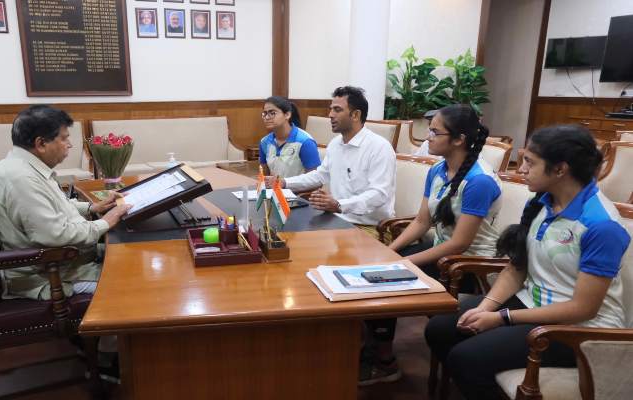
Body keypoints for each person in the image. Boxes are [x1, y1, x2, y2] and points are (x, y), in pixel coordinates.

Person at [425, 124, 630, 400]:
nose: (521, 169)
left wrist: (502, 318)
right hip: (532, 303)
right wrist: (486, 307)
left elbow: (583, 308)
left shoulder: (601, 225)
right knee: (440, 328)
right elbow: (516, 268)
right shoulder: (544, 202)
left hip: (579, 330)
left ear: (560, 169)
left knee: (468, 359)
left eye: (530, 162)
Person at [359, 104, 501, 386]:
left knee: (385, 279)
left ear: (459, 139)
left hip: (468, 266)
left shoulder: (479, 181)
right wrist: (389, 252)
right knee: (374, 268)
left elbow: (460, 243)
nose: (428, 138)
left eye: (435, 132)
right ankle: (374, 347)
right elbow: (422, 221)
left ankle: (384, 361)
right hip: (440, 253)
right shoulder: (438, 170)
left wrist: (404, 263)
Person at [0, 105, 131, 301]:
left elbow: (52, 205)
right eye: (64, 138)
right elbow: (55, 235)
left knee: (131, 253)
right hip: (54, 275)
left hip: (71, 261)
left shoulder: (23, 166)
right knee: (137, 281)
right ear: (41, 143)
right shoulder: (21, 179)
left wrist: (92, 208)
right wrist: (105, 222)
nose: (69, 145)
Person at [267, 86, 396, 234]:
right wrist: (284, 182)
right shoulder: (335, 144)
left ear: (355, 115)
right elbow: (319, 175)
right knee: (284, 232)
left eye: (337, 110)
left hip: (369, 227)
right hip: (336, 219)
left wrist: (339, 205)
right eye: (331, 109)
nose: (330, 115)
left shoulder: (379, 147)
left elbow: (379, 195)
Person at [259, 96, 321, 178]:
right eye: (265, 113)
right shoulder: (264, 142)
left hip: (299, 187)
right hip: (275, 186)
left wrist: (286, 184)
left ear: (287, 115)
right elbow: (265, 177)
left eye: (272, 113)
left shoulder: (305, 142)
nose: (267, 117)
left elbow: (315, 179)